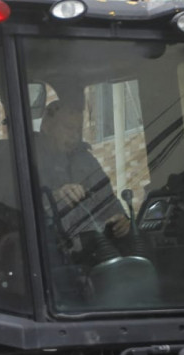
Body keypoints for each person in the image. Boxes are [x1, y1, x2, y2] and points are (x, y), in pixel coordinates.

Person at [34, 97, 132, 261]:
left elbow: (110, 204)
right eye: (68, 128)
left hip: (96, 248)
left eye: (78, 130)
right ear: (47, 127)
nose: (74, 136)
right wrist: (56, 196)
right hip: (51, 257)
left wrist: (122, 222)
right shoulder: (29, 160)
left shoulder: (86, 161)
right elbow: (19, 208)